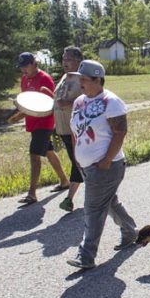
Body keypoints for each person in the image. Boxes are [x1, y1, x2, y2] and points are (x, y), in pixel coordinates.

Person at [66, 60, 137, 269]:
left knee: (92, 208)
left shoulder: (111, 102)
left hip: (108, 166)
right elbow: (74, 130)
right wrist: (77, 158)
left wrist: (105, 160)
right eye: (79, 79)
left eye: (84, 80)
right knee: (108, 202)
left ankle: (86, 255)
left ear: (97, 79)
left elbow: (120, 132)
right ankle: (130, 231)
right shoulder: (79, 101)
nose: (80, 84)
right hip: (88, 166)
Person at [14, 52, 69, 205]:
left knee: (34, 154)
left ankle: (32, 193)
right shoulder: (25, 79)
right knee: (48, 151)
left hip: (45, 123)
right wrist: (19, 112)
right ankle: (65, 181)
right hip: (32, 121)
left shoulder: (45, 79)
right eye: (21, 67)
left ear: (34, 63)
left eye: (25, 66)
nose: (23, 70)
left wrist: (49, 95)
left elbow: (53, 102)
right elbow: (27, 100)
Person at [54, 46, 84, 212]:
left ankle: (69, 199)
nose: (64, 62)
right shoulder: (65, 77)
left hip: (76, 129)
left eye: (68, 59)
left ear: (78, 60)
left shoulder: (82, 78)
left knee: (78, 162)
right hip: (63, 128)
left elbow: (90, 99)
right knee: (77, 162)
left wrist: (69, 104)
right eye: (63, 59)